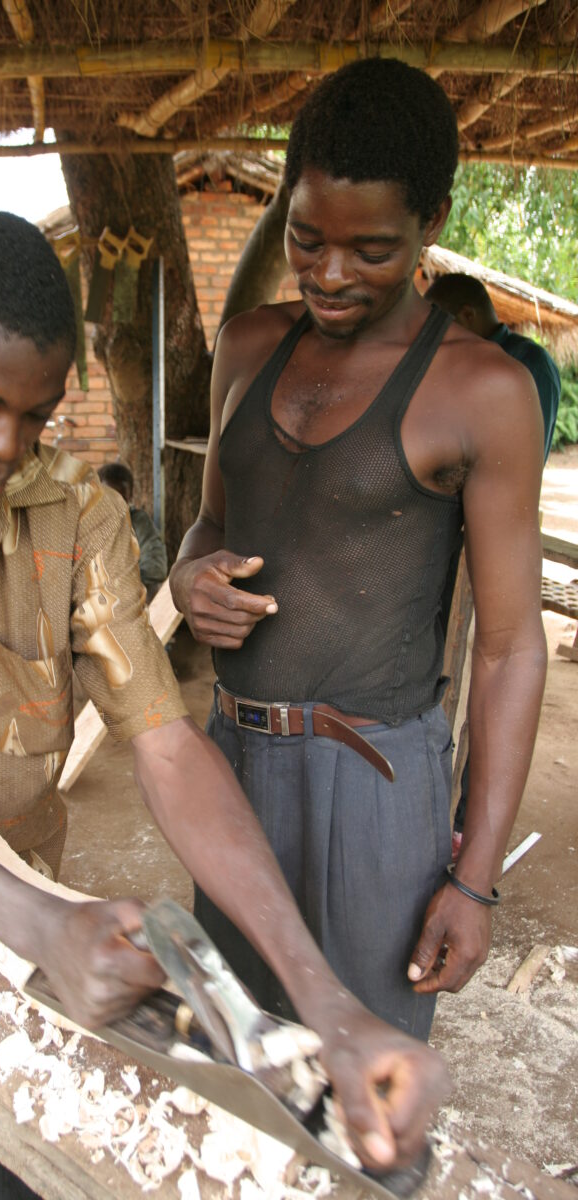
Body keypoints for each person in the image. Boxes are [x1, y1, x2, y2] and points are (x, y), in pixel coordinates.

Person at [0, 207, 447, 1196]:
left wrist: (326, 1002)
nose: (4, 447)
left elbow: (168, 745)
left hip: (11, 876)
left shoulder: (75, 512)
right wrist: (39, 922)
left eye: (37, 415)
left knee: (25, 1114)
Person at [170, 59, 546, 1048]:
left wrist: (472, 878)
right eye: (305, 238)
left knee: (363, 1066)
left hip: (377, 778)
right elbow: (209, 525)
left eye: (370, 248)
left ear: (430, 221)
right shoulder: (248, 345)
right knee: (237, 1051)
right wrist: (183, 577)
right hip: (233, 757)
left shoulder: (480, 393)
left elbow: (509, 647)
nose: (329, 274)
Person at [425, 271, 560, 853]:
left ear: (469, 319)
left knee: (495, 671)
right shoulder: (475, 361)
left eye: (440, 325)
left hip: (495, 535)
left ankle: (462, 823)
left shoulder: (516, 370)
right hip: (460, 533)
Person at [425, 272, 560, 457]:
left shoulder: (530, 362)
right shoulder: (461, 362)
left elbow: (524, 460)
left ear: (467, 315)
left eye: (438, 327)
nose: (434, 338)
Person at [97, 460, 168, 600]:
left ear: (130, 497)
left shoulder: (137, 522)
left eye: (122, 498)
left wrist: (119, 582)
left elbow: (156, 567)